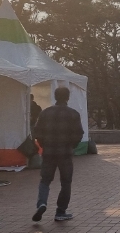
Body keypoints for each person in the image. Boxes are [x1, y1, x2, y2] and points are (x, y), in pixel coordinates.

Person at [32, 86, 84, 222]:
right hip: (65, 153)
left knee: (45, 180)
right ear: (68, 97)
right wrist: (71, 146)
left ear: (55, 97)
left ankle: (42, 203)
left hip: (49, 152)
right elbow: (79, 134)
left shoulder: (45, 113)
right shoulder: (73, 114)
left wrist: (44, 145)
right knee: (66, 182)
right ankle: (61, 211)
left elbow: (37, 132)